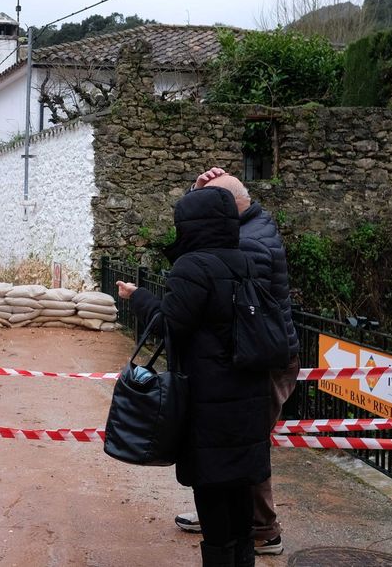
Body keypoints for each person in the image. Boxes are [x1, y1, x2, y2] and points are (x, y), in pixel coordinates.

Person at [117, 187, 271, 567]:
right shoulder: (245, 261)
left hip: (208, 407)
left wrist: (137, 297)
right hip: (247, 400)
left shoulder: (194, 266)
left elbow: (170, 325)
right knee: (239, 503)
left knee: (214, 505)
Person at [171, 168, 300, 557]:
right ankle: (233, 521)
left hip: (257, 359)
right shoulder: (246, 229)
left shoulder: (250, 245)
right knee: (238, 449)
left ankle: (262, 527)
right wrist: (196, 193)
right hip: (247, 356)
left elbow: (211, 295)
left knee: (242, 448)